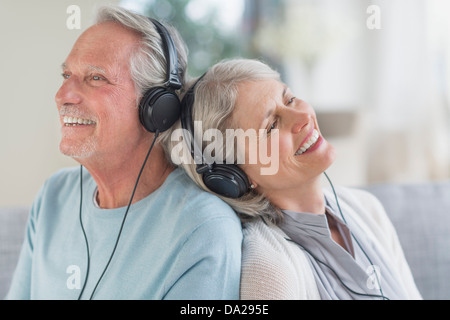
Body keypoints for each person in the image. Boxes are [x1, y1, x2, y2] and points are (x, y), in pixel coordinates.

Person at [6, 6, 242, 300]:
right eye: (66, 74)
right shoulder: (53, 197)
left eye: (95, 78)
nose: (62, 95)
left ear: (158, 109)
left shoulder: (202, 229)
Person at [163, 58, 422, 300]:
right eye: (272, 126)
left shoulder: (368, 209)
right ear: (234, 176)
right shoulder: (270, 270)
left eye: (290, 99)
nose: (303, 118)